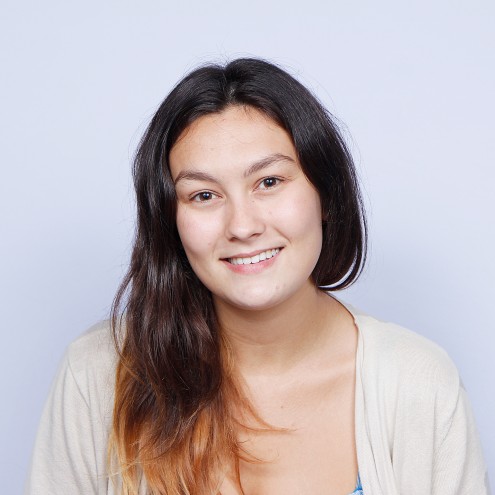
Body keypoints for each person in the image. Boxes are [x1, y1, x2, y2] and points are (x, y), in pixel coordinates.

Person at [26, 58, 488, 495]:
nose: (242, 226)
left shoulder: (419, 383)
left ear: (326, 194)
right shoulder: (98, 375)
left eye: (269, 182)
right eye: (204, 195)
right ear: (170, 221)